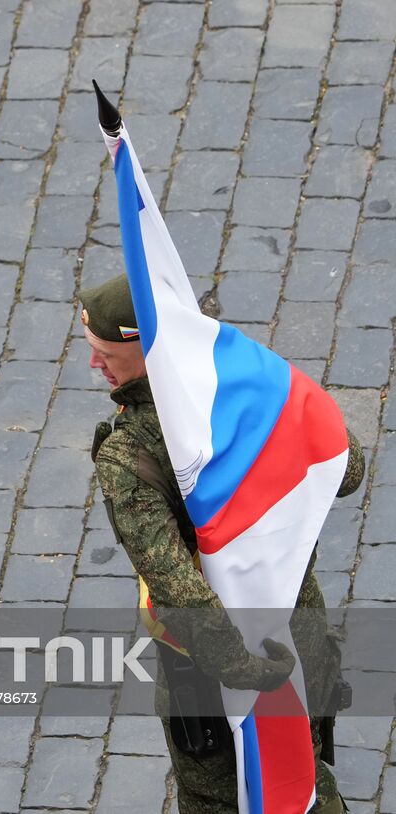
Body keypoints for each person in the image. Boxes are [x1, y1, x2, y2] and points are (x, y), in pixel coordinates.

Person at [83, 274, 364, 814]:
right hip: (294, 617)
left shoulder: (130, 457)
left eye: (106, 353)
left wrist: (250, 673)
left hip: (217, 671)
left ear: (149, 348)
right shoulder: (242, 383)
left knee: (238, 792)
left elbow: (179, 592)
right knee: (302, 754)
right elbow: (347, 468)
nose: (96, 365)